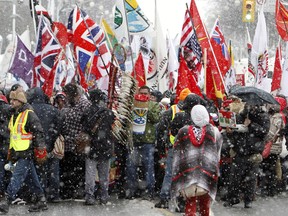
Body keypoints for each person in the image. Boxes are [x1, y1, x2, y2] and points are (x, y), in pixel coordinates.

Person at [0, 90, 48, 213]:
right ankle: (41, 200)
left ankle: (7, 200)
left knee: (17, 177)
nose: (11, 102)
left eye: (14, 100)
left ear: (20, 101)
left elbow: (39, 131)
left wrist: (40, 148)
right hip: (18, 151)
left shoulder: (29, 114)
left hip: (26, 151)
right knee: (31, 178)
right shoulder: (14, 113)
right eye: (10, 100)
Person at [171, 105, 223, 216]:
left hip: (188, 172)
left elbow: (177, 154)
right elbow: (217, 153)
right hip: (208, 173)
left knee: (190, 203)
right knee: (205, 205)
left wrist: (177, 171)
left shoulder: (183, 132)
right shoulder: (214, 132)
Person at [224, 104, 270, 208]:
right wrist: (230, 133)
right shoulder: (241, 116)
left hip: (253, 152)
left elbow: (264, 132)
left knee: (251, 178)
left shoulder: (263, 117)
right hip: (240, 151)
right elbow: (235, 131)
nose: (250, 106)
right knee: (234, 177)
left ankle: (248, 200)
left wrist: (251, 125)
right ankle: (232, 198)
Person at [154, 88, 191, 209]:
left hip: (173, 147)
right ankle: (182, 202)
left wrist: (161, 146)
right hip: (189, 149)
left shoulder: (172, 110)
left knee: (170, 174)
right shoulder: (194, 112)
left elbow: (160, 129)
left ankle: (164, 198)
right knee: (185, 175)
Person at [26, 87, 61, 202]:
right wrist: (53, 139)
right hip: (51, 145)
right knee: (53, 171)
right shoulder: (53, 110)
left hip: (36, 145)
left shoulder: (29, 110)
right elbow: (60, 127)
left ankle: (40, 195)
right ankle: (54, 195)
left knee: (39, 172)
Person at [81, 89, 115, 205]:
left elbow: (84, 128)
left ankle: (89, 196)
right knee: (104, 174)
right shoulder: (109, 112)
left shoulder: (87, 112)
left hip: (91, 146)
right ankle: (104, 196)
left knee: (90, 174)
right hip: (105, 146)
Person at [126, 86, 161, 200]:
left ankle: (149, 191)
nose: (143, 95)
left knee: (148, 167)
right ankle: (132, 190)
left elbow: (156, 118)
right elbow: (128, 120)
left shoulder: (154, 105)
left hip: (147, 140)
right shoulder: (133, 104)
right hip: (135, 140)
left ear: (149, 94)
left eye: (145, 93)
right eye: (141, 93)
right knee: (131, 166)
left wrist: (146, 108)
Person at [61, 83, 91, 199]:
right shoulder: (68, 104)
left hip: (79, 143)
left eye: (67, 94)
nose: (66, 97)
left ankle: (79, 190)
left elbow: (89, 122)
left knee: (79, 168)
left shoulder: (85, 104)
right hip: (68, 143)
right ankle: (68, 190)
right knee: (67, 168)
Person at [0, 95, 10, 198]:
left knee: (1, 170)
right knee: (10, 169)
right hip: (10, 144)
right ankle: (9, 191)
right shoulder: (9, 110)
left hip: (2, 145)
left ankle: (1, 190)